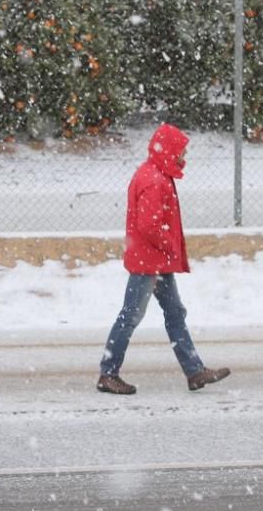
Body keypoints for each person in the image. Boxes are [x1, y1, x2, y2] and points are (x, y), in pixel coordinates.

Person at [97, 123, 231, 395]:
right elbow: (149, 226)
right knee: (131, 315)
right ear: (168, 151)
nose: (184, 158)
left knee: (174, 313)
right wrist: (169, 243)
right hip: (148, 261)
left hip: (155, 260)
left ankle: (194, 372)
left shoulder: (156, 173)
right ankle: (108, 373)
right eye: (181, 152)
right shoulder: (153, 180)